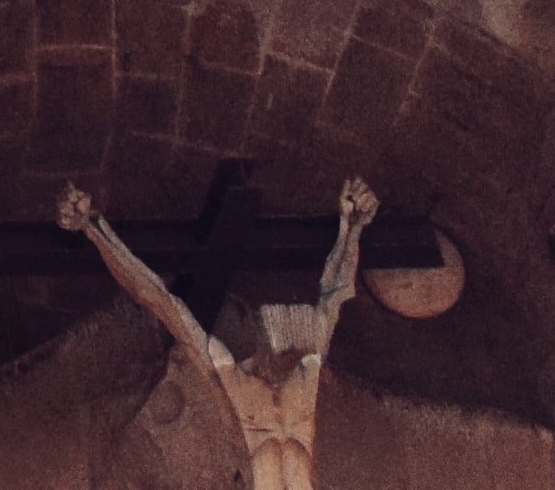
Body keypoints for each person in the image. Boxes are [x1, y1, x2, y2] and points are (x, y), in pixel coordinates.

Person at [52, 177, 377, 490]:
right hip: (283, 365)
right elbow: (335, 295)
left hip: (241, 380)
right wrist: (353, 226)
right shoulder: (306, 375)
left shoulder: (228, 387)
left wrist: (92, 228)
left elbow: (156, 298)